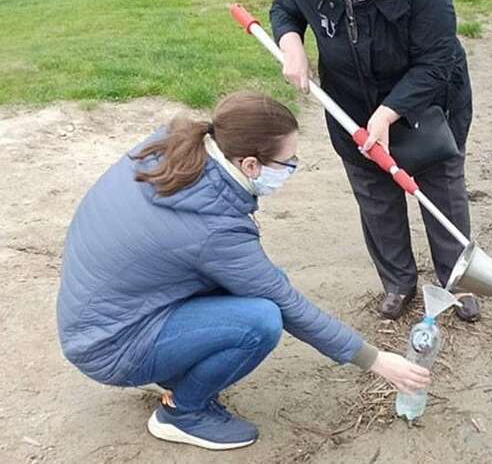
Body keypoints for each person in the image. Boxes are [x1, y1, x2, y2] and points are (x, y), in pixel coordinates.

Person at [56, 91, 429, 451]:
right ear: (249, 164)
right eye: (288, 161)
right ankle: (182, 412)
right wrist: (377, 360)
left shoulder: (175, 144)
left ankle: (176, 368)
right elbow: (287, 307)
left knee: (263, 284)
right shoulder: (214, 230)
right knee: (262, 318)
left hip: (98, 315)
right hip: (111, 346)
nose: (293, 168)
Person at [269, 0, 479, 322]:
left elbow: (437, 60)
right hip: (351, 111)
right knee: (376, 198)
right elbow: (284, 8)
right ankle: (399, 283)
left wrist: (388, 114)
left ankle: (458, 281)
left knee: (440, 191)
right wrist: (291, 43)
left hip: (429, 108)